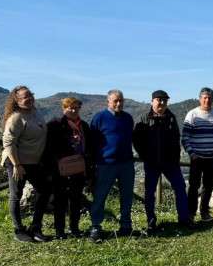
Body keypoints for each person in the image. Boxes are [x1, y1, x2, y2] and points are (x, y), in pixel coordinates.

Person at [133, 91, 191, 235]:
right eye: (159, 100)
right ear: (152, 101)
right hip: (151, 162)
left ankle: (184, 219)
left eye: (165, 100)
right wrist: (145, 155)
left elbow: (176, 138)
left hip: (170, 163)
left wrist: (175, 158)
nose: (162, 103)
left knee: (180, 188)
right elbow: (137, 140)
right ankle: (151, 222)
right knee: (149, 193)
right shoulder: (144, 118)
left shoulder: (171, 117)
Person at [1, 85, 52, 242]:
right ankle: (19, 230)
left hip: (34, 162)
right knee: (16, 194)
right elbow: (8, 143)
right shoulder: (16, 118)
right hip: (17, 162)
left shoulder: (35, 113)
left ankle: (35, 228)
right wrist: (17, 165)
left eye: (30, 95)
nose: (29, 98)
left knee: (44, 191)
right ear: (16, 101)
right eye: (25, 97)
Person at [89, 90, 137, 239]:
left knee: (127, 196)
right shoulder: (99, 118)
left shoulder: (128, 118)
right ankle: (96, 226)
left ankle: (126, 225)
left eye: (121, 100)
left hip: (126, 164)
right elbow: (92, 142)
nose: (119, 103)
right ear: (108, 101)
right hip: (106, 164)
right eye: (115, 100)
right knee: (100, 196)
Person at [46, 95, 95, 239]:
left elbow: (89, 146)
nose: (73, 110)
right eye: (70, 108)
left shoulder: (84, 126)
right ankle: (60, 230)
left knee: (76, 200)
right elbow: (49, 147)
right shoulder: (55, 124)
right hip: (60, 169)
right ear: (64, 108)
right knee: (60, 200)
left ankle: (74, 228)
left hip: (78, 168)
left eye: (76, 108)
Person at [181, 89, 213, 221]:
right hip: (197, 157)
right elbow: (185, 137)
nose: (207, 100)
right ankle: (191, 213)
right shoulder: (192, 114)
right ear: (200, 99)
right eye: (205, 98)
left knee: (208, 186)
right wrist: (191, 153)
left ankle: (204, 213)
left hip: (212, 157)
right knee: (194, 186)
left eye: (210, 98)